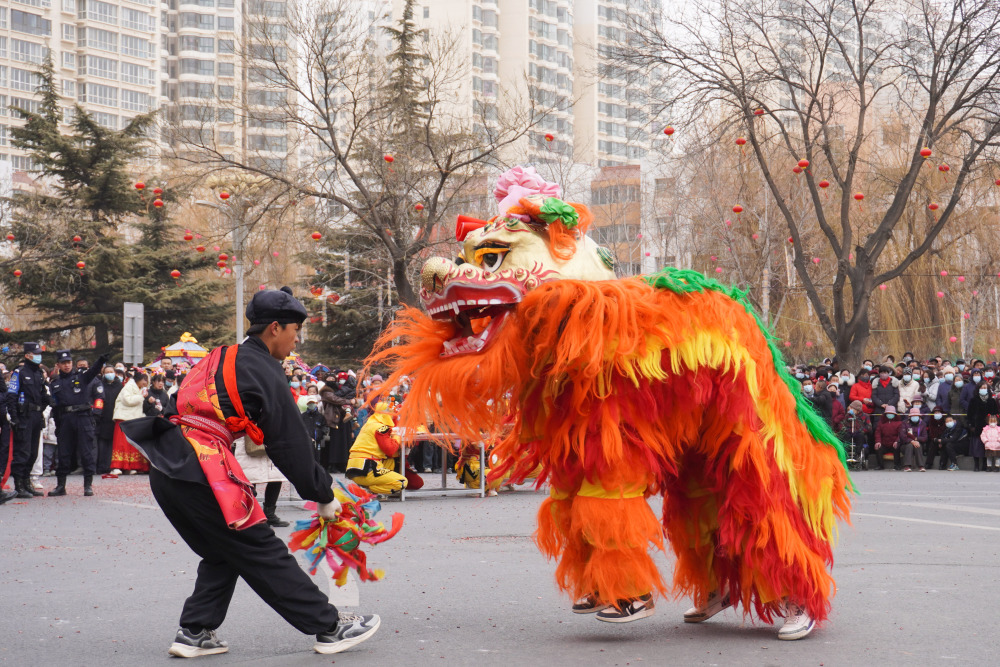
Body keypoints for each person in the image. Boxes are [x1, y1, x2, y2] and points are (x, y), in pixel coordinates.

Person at [120, 287, 380, 657]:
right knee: (260, 546)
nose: (296, 341)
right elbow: (289, 445)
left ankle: (195, 631)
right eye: (295, 331)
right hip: (202, 464)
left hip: (168, 461)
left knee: (224, 550)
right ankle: (328, 627)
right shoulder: (265, 370)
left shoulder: (218, 356)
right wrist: (323, 493)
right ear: (275, 328)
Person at [47, 349, 106, 496]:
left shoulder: (81, 377)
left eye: (68, 362)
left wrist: (100, 361)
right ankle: (61, 485)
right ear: (58, 365)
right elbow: (55, 405)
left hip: (83, 417)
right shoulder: (55, 384)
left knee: (86, 452)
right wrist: (58, 425)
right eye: (63, 363)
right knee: (64, 453)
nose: (67, 365)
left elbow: (93, 371)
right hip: (65, 419)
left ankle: (88, 485)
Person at [8, 342, 50, 498]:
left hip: (36, 417)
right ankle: (18, 485)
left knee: (33, 453)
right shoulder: (19, 372)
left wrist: (47, 399)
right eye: (36, 353)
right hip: (23, 417)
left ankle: (27, 482)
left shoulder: (39, 373)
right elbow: (11, 396)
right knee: (23, 453)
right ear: (27, 355)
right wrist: (14, 418)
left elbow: (43, 394)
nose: (39, 356)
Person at [345, 401, 407, 495]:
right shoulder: (381, 428)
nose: (392, 416)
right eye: (391, 414)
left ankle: (369, 488)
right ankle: (371, 490)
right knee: (402, 482)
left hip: (355, 467)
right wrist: (397, 437)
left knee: (389, 461)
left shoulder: (368, 425)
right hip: (367, 468)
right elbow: (390, 450)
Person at [110, 370, 151, 475]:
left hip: (132, 419)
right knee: (121, 444)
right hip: (123, 419)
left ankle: (131, 466)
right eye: (144, 380)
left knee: (131, 444)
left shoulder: (138, 388)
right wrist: (141, 397)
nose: (145, 382)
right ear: (138, 379)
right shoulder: (129, 386)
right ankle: (117, 466)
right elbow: (127, 400)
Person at [95, 366, 123, 474]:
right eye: (107, 372)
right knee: (102, 443)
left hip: (115, 417)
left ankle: (112, 465)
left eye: (111, 372)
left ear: (115, 373)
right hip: (102, 417)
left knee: (113, 443)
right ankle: (101, 466)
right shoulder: (100, 385)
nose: (109, 374)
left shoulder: (119, 386)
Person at [966, 382, 998, 472]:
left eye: (985, 387)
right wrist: (971, 425)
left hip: (989, 427)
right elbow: (969, 414)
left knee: (987, 446)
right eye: (982, 387)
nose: (984, 389)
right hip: (976, 426)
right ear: (978, 389)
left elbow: (995, 414)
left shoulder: (992, 400)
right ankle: (976, 465)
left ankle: (985, 464)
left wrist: (994, 424)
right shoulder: (973, 400)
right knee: (976, 446)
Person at [899, 407, 927, 472]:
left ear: (919, 416)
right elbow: (902, 436)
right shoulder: (904, 423)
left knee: (917, 445)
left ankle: (921, 466)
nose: (915, 417)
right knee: (910, 445)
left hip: (918, 443)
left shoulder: (923, 424)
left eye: (916, 416)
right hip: (905, 445)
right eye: (913, 416)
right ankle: (907, 466)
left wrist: (916, 439)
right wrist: (911, 441)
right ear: (910, 417)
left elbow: (925, 437)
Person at [873, 405, 901, 470]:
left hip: (894, 443)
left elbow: (900, 434)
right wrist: (878, 442)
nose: (890, 415)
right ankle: (880, 465)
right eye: (889, 413)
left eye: (892, 413)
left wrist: (897, 441)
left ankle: (897, 465)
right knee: (878, 448)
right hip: (884, 443)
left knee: (897, 447)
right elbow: (878, 433)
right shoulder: (881, 423)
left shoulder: (899, 423)